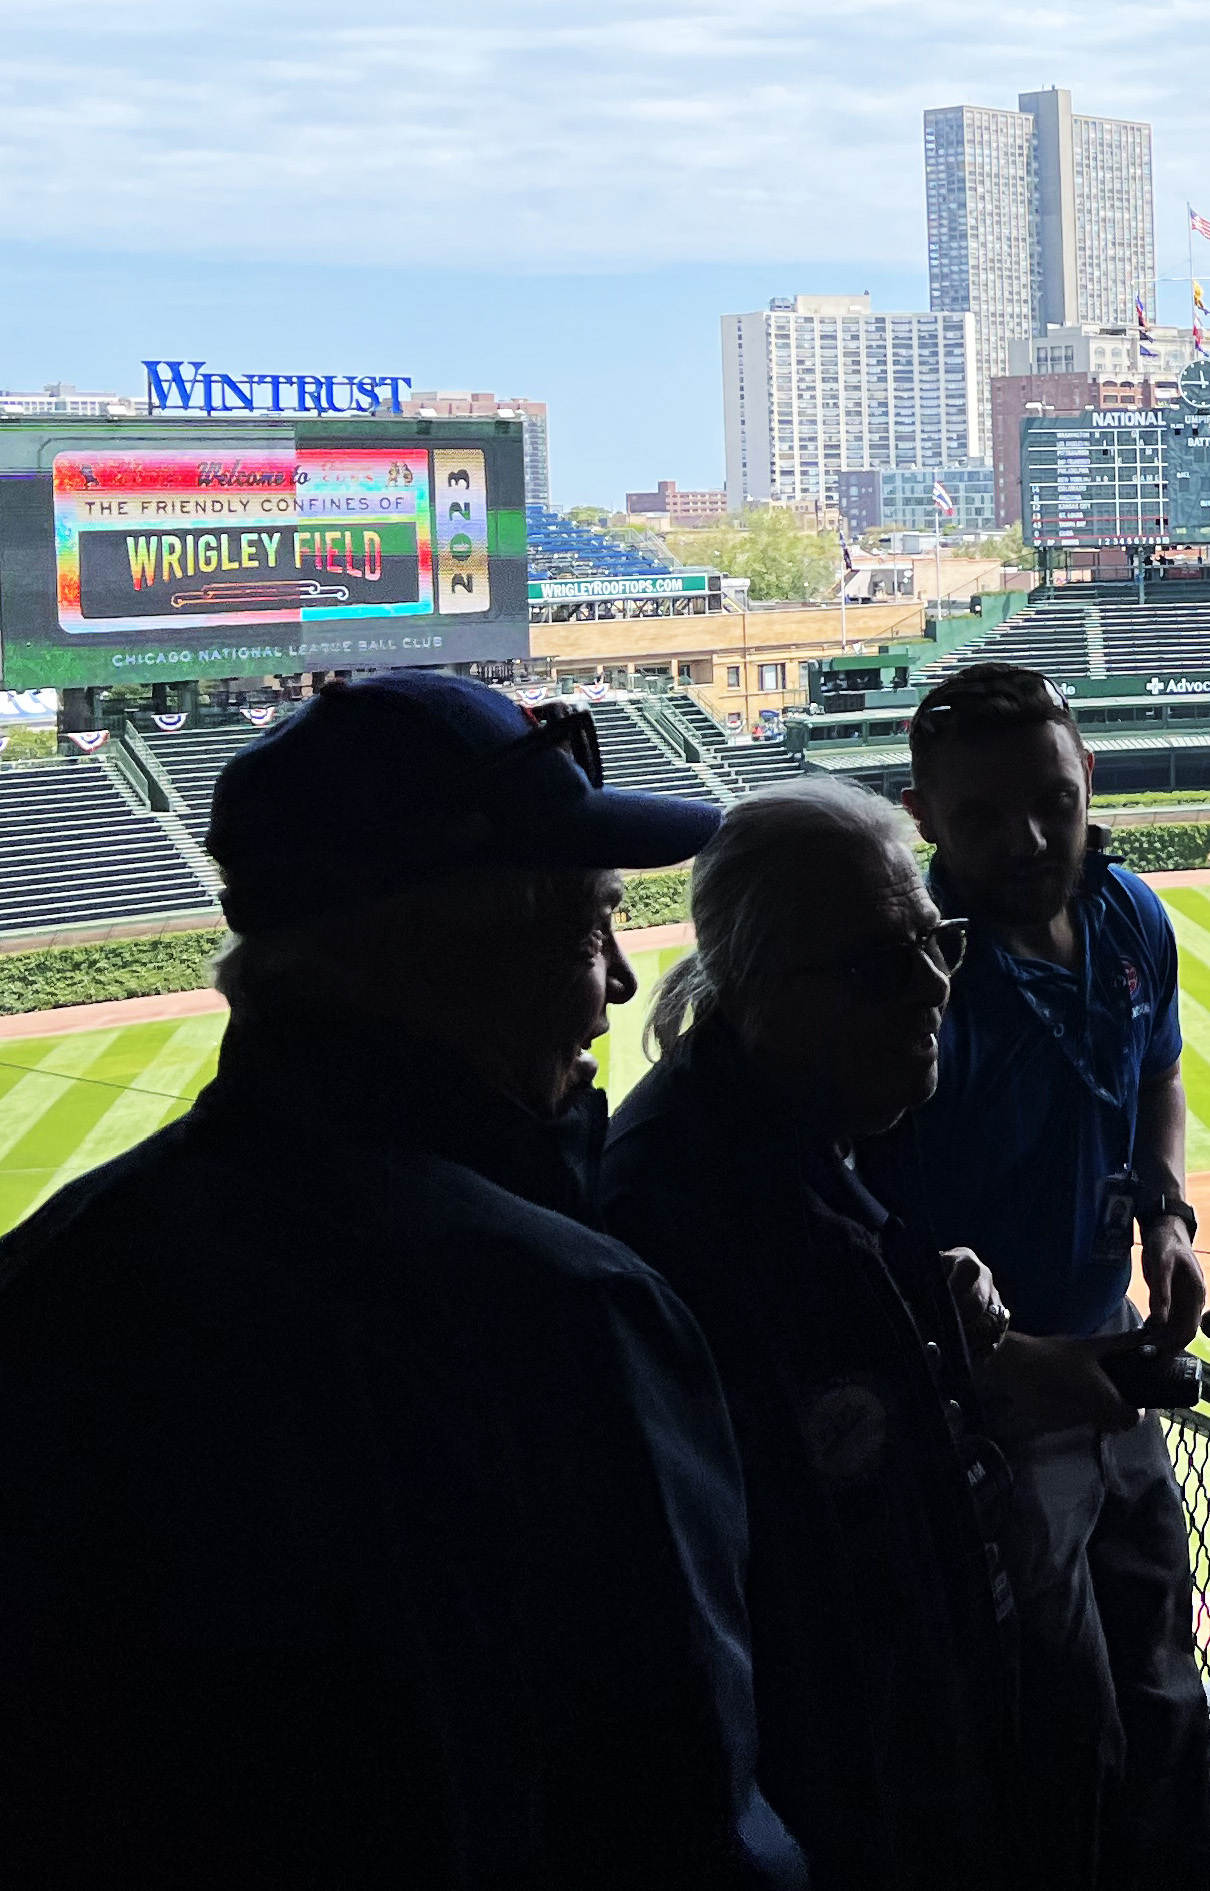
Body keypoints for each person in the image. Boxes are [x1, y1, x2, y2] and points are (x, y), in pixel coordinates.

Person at [0, 672, 804, 1887]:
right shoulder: (565, 1312)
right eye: (590, 927)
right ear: (443, 951)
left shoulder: (52, 1268)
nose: (620, 989)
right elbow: (678, 1810)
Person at [600, 780, 1031, 1890]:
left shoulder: (799, 1131)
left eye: (937, 942)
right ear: (749, 989)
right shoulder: (670, 1221)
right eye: (879, 964)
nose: (936, 985)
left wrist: (914, 1303)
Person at [858, 664, 1210, 1891]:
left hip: (1111, 1356)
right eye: (980, 817)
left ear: (1088, 782)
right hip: (990, 1408)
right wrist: (1000, 1362)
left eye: (1052, 802)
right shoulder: (915, 977)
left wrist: (1164, 1214)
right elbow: (851, 1215)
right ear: (922, 817)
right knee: (1066, 1724)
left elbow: (1154, 1075)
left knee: (1164, 1687)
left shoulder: (1128, 917)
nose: (1028, 839)